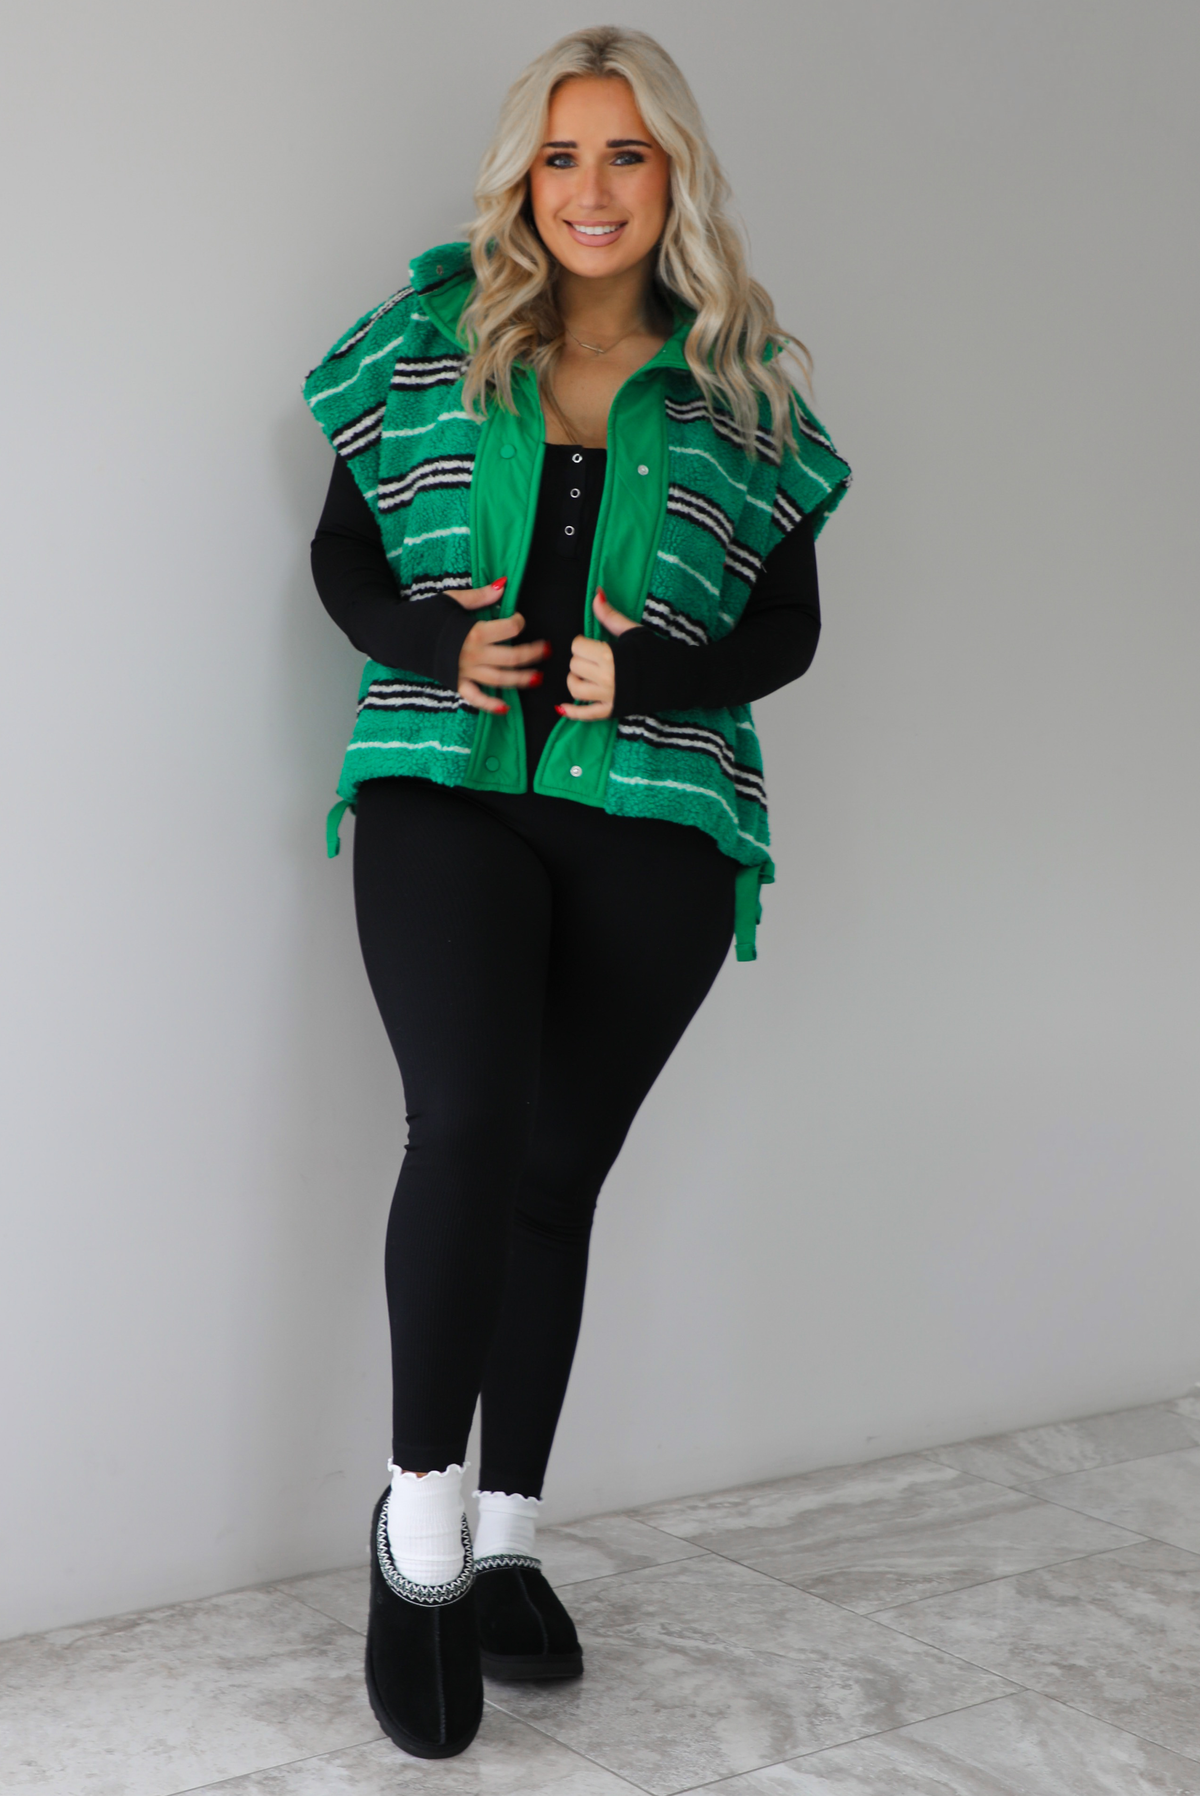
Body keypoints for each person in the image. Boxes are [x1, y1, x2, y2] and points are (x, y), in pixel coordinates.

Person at [304, 23, 850, 1761]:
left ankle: (517, 1536)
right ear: (521, 177)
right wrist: (432, 640)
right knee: (463, 1127)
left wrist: (665, 682)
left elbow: (791, 627)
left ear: (671, 175)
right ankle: (419, 1535)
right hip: (445, 799)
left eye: (626, 156)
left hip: (657, 827)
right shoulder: (426, 343)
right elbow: (341, 550)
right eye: (561, 155)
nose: (593, 190)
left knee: (558, 1178)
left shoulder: (751, 391)